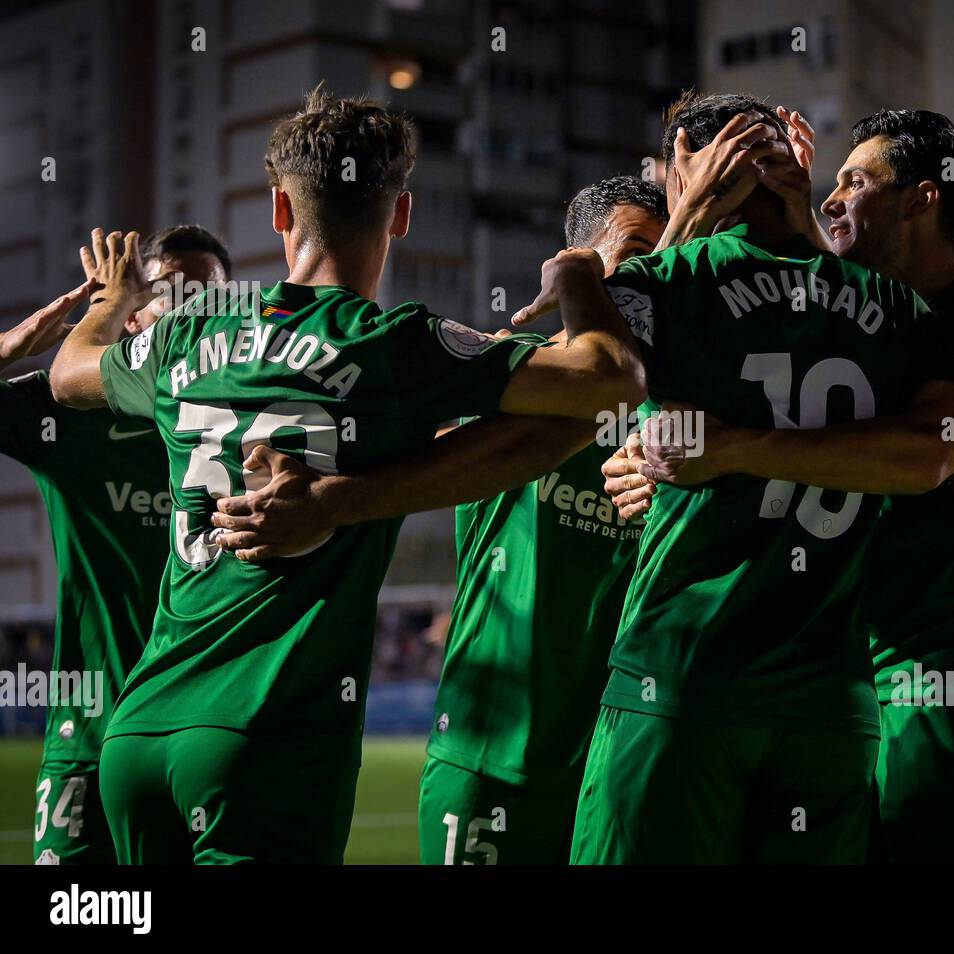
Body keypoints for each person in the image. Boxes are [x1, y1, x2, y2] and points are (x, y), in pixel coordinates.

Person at [47, 85, 643, 864]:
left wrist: (115, 300)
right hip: (262, 741)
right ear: (399, 216)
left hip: (138, 732)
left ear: (279, 212)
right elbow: (612, 377)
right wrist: (578, 279)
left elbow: (68, 373)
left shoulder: (188, 333)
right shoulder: (396, 344)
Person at [610, 108, 954, 864]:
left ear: (923, 199)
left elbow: (936, 452)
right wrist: (648, 452)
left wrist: (734, 449)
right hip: (850, 680)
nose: (830, 198)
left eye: (856, 182)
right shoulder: (863, 321)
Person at [417, 176, 667, 865]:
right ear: (576, 264)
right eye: (635, 251)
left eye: (667, 254)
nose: (651, 274)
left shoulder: (682, 423)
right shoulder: (513, 374)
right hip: (493, 753)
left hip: (622, 766)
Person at [0, 226, 230, 864]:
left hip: (202, 735)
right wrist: (10, 347)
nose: (189, 310)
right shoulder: (67, 414)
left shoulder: (251, 418)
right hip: (89, 730)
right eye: (168, 292)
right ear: (130, 313)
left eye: (205, 296)